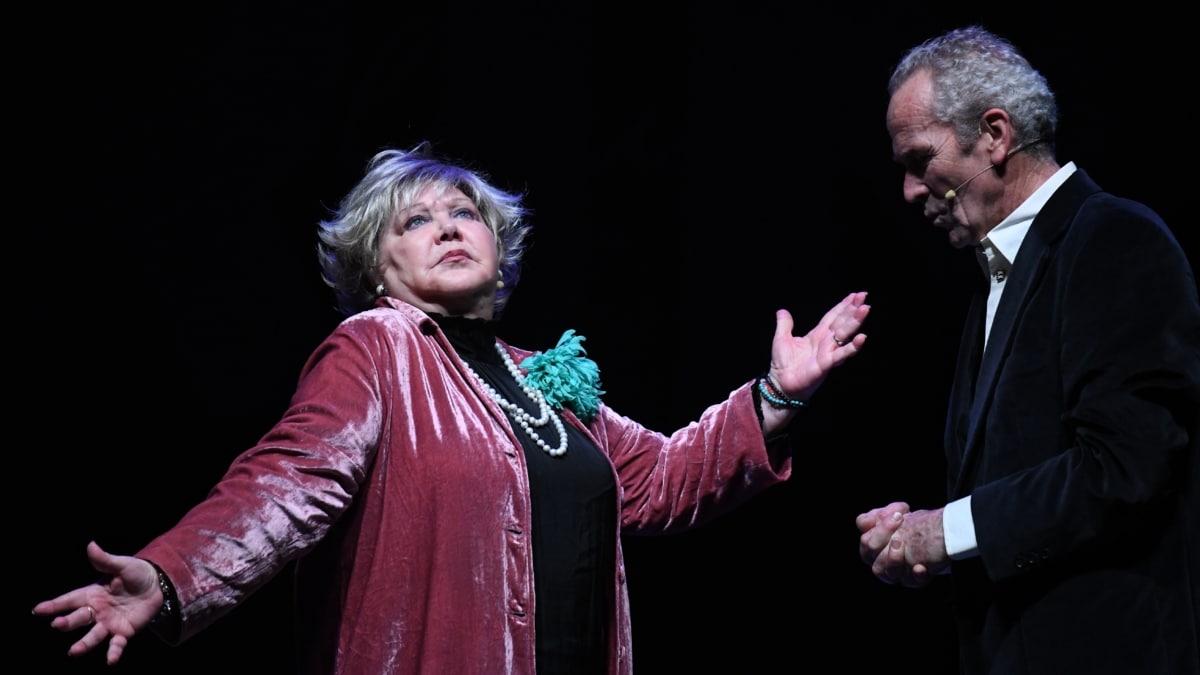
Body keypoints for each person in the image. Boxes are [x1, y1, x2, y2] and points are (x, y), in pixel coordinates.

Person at [33, 141, 870, 674]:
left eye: (463, 213)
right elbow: (288, 483)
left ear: (497, 247)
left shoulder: (546, 379)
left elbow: (662, 479)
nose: (447, 227)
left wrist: (775, 396)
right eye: (416, 221)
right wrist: (177, 572)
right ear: (376, 261)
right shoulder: (377, 348)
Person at [856, 25, 1200, 675]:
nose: (907, 190)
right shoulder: (1000, 277)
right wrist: (931, 533)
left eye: (919, 160)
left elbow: (1125, 466)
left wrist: (949, 529)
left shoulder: (1115, 241)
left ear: (994, 134)